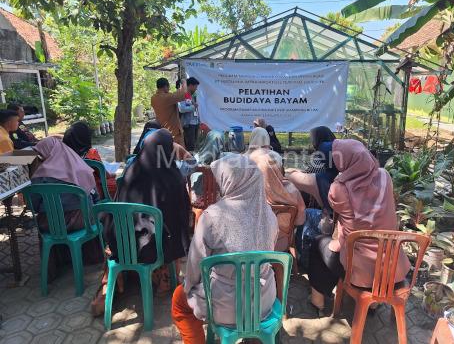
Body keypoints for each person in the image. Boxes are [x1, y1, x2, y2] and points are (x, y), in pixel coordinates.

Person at [172, 154, 278, 344]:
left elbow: (196, 264)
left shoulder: (212, 216)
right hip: (263, 302)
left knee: (179, 301)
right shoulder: (270, 215)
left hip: (225, 306)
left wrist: (189, 286)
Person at [92, 129, 191, 315]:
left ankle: (114, 284)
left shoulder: (131, 169)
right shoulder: (173, 177)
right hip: (154, 247)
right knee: (173, 229)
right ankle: (165, 280)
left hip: (122, 242)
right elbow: (181, 218)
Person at [308, 139, 411, 315]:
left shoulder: (339, 188)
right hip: (393, 267)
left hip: (360, 270)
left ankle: (317, 301)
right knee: (337, 247)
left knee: (318, 243)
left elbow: (339, 215)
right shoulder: (385, 175)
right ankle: (373, 304)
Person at [30, 137, 102, 279]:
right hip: (81, 221)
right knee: (92, 212)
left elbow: (34, 206)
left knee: (46, 223)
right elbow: (95, 197)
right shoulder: (80, 168)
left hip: (50, 224)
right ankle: (91, 258)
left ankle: (54, 267)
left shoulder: (38, 176)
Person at [286, 126, 338, 269]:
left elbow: (308, 175)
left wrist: (291, 173)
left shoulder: (322, 155)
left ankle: (303, 260)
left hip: (331, 219)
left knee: (303, 214)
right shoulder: (378, 178)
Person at [63, 121, 118, 199]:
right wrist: (112, 174)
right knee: (116, 183)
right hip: (91, 192)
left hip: (67, 192)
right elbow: (104, 175)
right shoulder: (91, 154)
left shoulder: (61, 156)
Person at [151, 78, 187, 146]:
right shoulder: (166, 97)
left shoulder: (153, 98)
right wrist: (184, 82)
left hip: (163, 132)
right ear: (165, 86)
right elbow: (183, 94)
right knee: (180, 155)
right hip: (174, 133)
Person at [178, 77, 201, 152]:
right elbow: (182, 109)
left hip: (195, 123)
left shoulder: (191, 95)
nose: (196, 89)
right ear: (190, 85)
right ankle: (188, 161)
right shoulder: (182, 94)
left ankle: (192, 160)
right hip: (188, 124)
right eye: (195, 87)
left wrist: (198, 121)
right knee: (189, 146)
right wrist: (193, 106)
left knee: (193, 145)